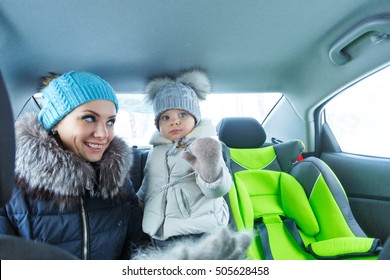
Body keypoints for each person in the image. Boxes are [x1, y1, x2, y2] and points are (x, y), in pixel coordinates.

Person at [0, 71, 145, 259]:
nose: (103, 133)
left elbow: (137, 249)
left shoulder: (119, 182)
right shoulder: (13, 187)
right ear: (55, 121)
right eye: (89, 118)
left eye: (110, 121)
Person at [137, 68, 233, 247]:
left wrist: (209, 168)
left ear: (195, 118)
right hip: (160, 232)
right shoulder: (155, 152)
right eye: (165, 117)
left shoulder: (204, 147)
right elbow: (149, 184)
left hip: (197, 230)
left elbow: (218, 189)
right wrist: (138, 200)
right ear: (158, 125)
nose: (174, 121)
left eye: (182, 115)